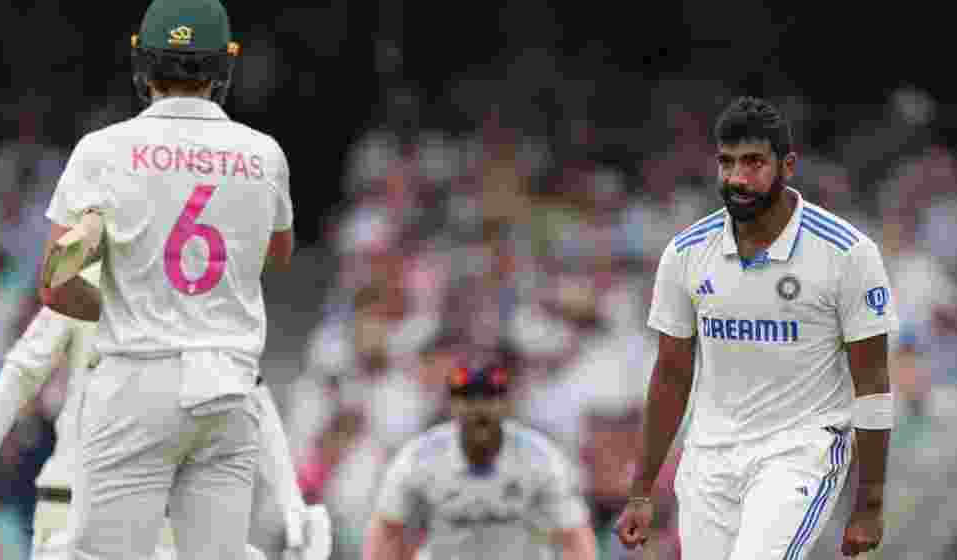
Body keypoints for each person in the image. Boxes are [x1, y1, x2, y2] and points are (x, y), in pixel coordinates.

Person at [35, 1, 296, 557]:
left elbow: (54, 283)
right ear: (223, 69)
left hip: (136, 379)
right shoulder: (264, 154)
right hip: (228, 384)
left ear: (141, 64)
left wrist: (132, 303)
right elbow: (278, 254)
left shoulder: (101, 151)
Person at [614, 96, 898, 559]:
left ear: (786, 165)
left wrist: (870, 504)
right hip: (709, 458)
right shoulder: (686, 253)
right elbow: (670, 374)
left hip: (800, 453)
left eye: (753, 163)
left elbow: (873, 387)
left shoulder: (848, 254)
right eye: (726, 163)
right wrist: (642, 491)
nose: (737, 179)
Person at [0, 264, 326, 560]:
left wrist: (292, 503)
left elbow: (251, 393)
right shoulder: (90, 281)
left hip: (170, 515)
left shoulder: (207, 294)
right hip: (73, 507)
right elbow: (22, 370)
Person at [364, 358, 597, 560]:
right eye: (467, 399)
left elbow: (576, 538)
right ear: (452, 406)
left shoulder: (540, 460)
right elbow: (386, 528)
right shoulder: (419, 459)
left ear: (506, 404)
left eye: (489, 399)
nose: (478, 410)